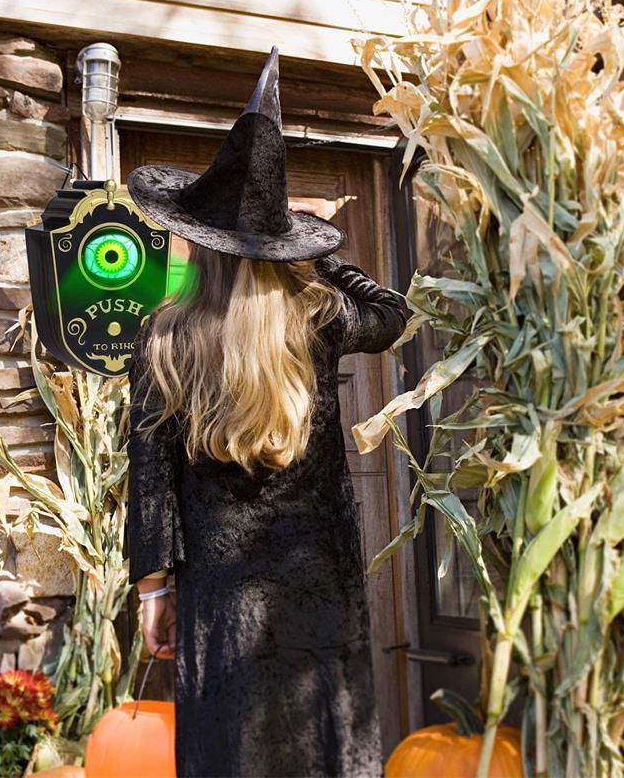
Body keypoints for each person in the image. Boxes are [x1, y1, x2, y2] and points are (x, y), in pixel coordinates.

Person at [125, 46, 408, 778]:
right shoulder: (319, 317)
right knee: (324, 747)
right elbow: (393, 313)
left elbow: (149, 477)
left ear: (199, 244)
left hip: (222, 596)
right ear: (278, 249)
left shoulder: (164, 337)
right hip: (320, 587)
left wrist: (154, 589)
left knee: (231, 749)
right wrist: (318, 256)